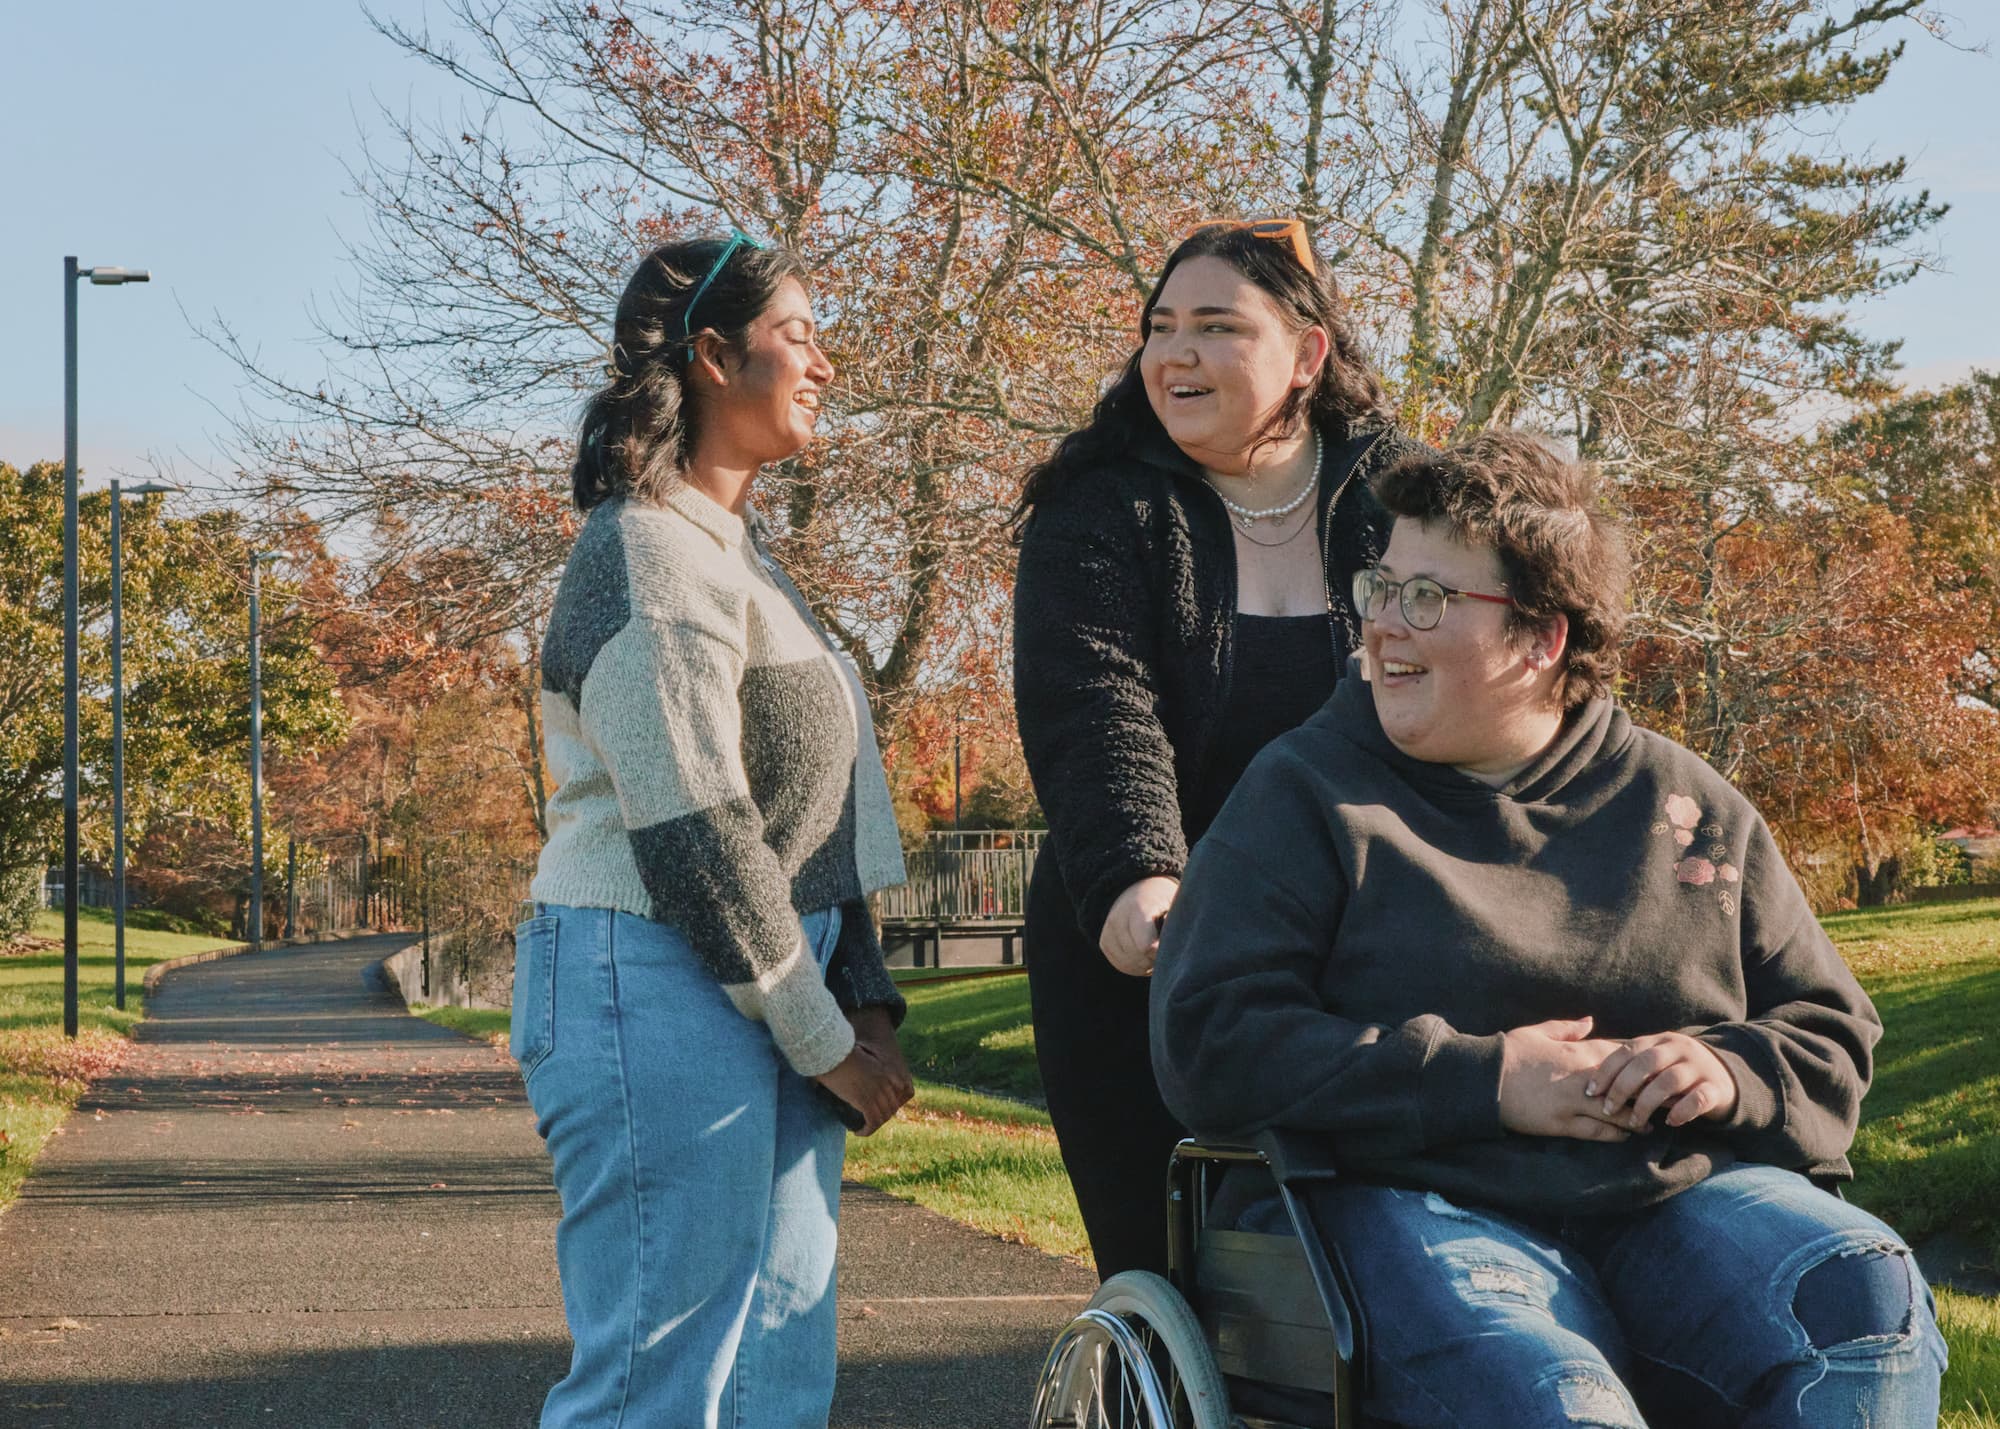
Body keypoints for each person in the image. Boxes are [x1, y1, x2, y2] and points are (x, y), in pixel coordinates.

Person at [1151, 431, 1948, 1426]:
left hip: (1672, 1202)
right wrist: (1485, 1081)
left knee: (1864, 1298)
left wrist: (1725, 1071)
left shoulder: (1683, 804)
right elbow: (1209, 1036)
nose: (1383, 629)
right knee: (1554, 1399)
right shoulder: (1304, 793)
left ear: (1540, 638)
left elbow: (1829, 1029)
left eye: (1427, 598)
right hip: (1403, 1198)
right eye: (1380, 587)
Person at [516, 232, 915, 1428]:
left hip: (762, 985)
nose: (825, 362)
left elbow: (818, 805)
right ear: (709, 353)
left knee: (774, 1379)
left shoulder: (735, 554)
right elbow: (696, 825)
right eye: (798, 334)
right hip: (652, 980)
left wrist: (863, 984)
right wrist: (820, 1031)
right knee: (655, 1383)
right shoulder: (644, 549)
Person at [1012, 218, 1429, 1278]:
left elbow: (1482, 685)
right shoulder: (1097, 505)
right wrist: (1135, 876)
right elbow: (1093, 702)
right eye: (1159, 328)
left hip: (1374, 936)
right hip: (1153, 945)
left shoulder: (1411, 499)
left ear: (1307, 352)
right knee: (1181, 1275)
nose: (1174, 355)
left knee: (1387, 1273)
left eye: (1215, 326)